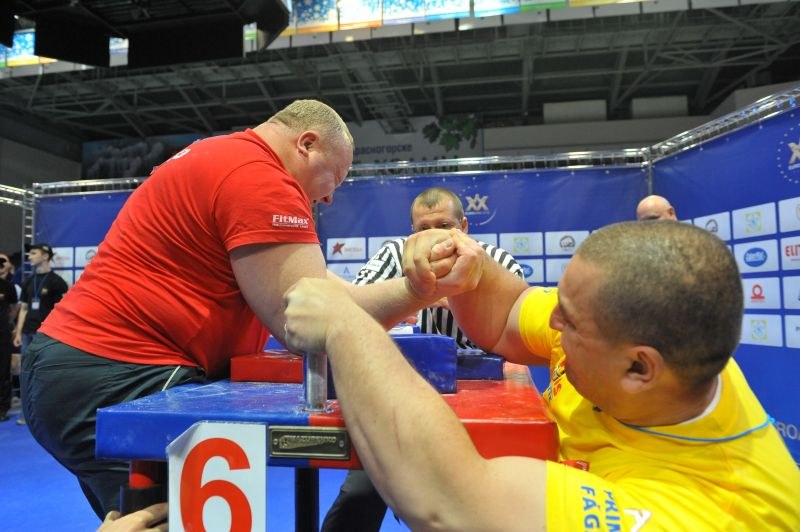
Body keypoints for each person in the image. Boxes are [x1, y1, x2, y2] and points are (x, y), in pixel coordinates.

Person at [21, 99, 433, 521]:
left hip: (83, 370)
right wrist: (418, 289)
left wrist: (414, 290)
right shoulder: (261, 177)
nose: (329, 196)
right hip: (119, 375)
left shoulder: (226, 156)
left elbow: (323, 294)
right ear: (307, 144)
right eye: (335, 178)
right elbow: (306, 321)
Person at [284, 221, 800, 530]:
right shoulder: (641, 345)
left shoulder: (712, 510)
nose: (552, 322)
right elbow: (510, 311)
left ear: (639, 367)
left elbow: (449, 501)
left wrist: (345, 324)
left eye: (568, 321)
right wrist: (466, 268)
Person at [322, 186, 524, 531]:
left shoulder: (497, 263)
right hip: (404, 393)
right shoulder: (395, 254)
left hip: (480, 399)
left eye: (444, 225)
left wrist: (445, 298)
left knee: (476, 506)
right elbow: (351, 308)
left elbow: (515, 334)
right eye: (422, 228)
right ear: (411, 231)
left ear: (463, 226)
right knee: (359, 495)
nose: (433, 236)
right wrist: (408, 296)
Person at [13, 243, 68, 425]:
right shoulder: (28, 282)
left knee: (47, 374)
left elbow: (62, 311)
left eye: (34, 253)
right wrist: (18, 332)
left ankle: (48, 415)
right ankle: (25, 414)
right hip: (28, 333)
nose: (29, 256)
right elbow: (23, 309)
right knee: (26, 373)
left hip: (47, 335)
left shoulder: (57, 282)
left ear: (45, 256)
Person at [0, 253, 19, 422]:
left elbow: (14, 309)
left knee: (4, 370)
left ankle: (3, 408)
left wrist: (8, 324)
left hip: (3, 332)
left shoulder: (8, 286)